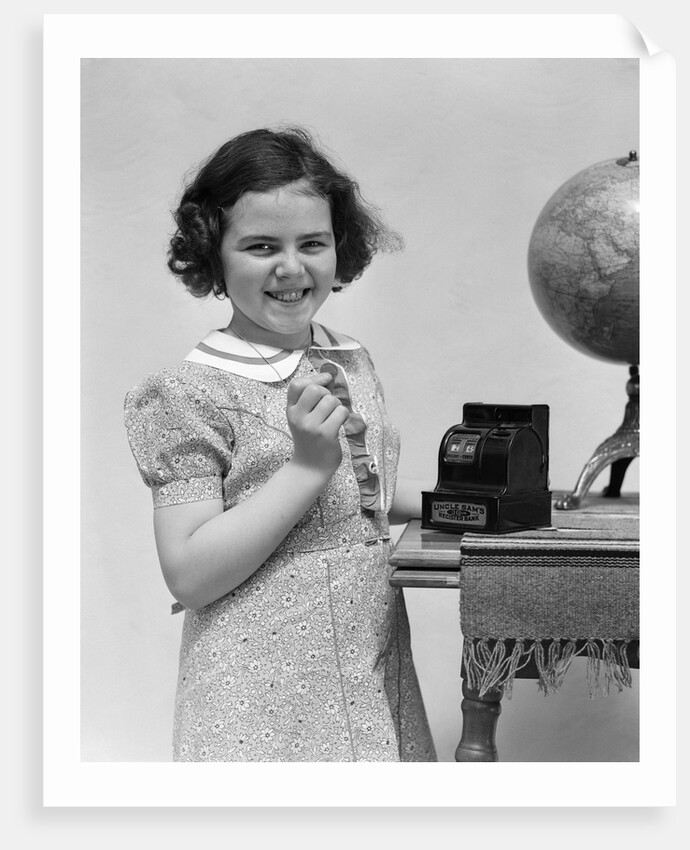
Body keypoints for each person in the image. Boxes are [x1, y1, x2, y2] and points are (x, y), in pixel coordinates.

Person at [124, 127, 436, 762]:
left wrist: (468, 504)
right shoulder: (187, 392)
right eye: (261, 246)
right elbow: (189, 575)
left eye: (312, 243)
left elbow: (361, 494)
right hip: (260, 689)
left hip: (368, 658)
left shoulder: (349, 356)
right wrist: (306, 467)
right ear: (213, 255)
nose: (292, 268)